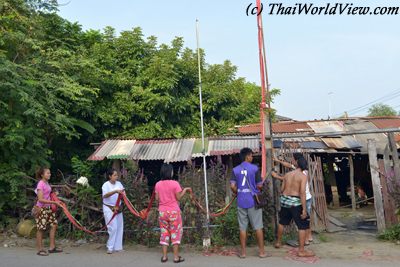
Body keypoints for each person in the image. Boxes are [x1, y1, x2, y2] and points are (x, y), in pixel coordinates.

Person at [272, 157, 315, 257]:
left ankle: (278, 242)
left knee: (282, 222)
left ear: (297, 164)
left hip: (285, 201)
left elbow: (282, 189)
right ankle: (301, 251)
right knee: (302, 226)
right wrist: (304, 209)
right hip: (295, 202)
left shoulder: (287, 174)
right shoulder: (303, 176)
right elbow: (302, 193)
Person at [230, 147, 268, 259]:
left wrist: (238, 192)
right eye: (251, 155)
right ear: (247, 156)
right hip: (253, 201)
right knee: (258, 227)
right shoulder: (255, 168)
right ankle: (261, 252)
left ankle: (243, 253)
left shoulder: (235, 169)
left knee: (242, 228)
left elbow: (232, 186)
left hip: (241, 201)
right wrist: (259, 187)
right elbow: (259, 186)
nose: (252, 157)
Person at [155, 163, 190, 263]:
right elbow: (178, 198)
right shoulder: (175, 184)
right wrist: (185, 190)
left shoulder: (158, 184)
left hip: (162, 212)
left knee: (164, 233)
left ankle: (164, 257)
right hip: (174, 212)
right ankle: (175, 257)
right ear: (170, 172)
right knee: (175, 233)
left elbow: (157, 199)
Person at [34, 167, 63, 256]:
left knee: (54, 224)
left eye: (49, 173)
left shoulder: (46, 183)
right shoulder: (40, 184)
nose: (49, 174)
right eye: (47, 173)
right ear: (42, 175)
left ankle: (52, 247)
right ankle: (40, 249)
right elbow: (41, 199)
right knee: (41, 228)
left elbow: (47, 195)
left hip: (48, 208)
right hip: (41, 208)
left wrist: (54, 196)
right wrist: (54, 202)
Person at [102, 169, 124, 254]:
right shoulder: (105, 185)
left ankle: (118, 247)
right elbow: (105, 195)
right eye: (114, 175)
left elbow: (123, 193)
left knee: (119, 227)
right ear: (110, 176)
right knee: (113, 227)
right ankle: (110, 247)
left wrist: (122, 194)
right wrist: (115, 191)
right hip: (109, 207)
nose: (116, 177)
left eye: (117, 175)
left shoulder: (119, 184)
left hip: (118, 207)